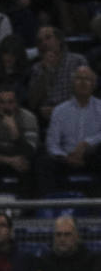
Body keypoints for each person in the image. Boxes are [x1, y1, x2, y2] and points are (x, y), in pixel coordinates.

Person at [44, 66, 101, 194]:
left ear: (94, 84)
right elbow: (52, 143)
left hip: (92, 158)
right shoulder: (59, 110)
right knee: (44, 162)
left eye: (87, 79)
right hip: (65, 159)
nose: (82, 82)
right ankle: (49, 204)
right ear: (72, 83)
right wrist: (66, 157)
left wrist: (87, 143)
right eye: (79, 78)